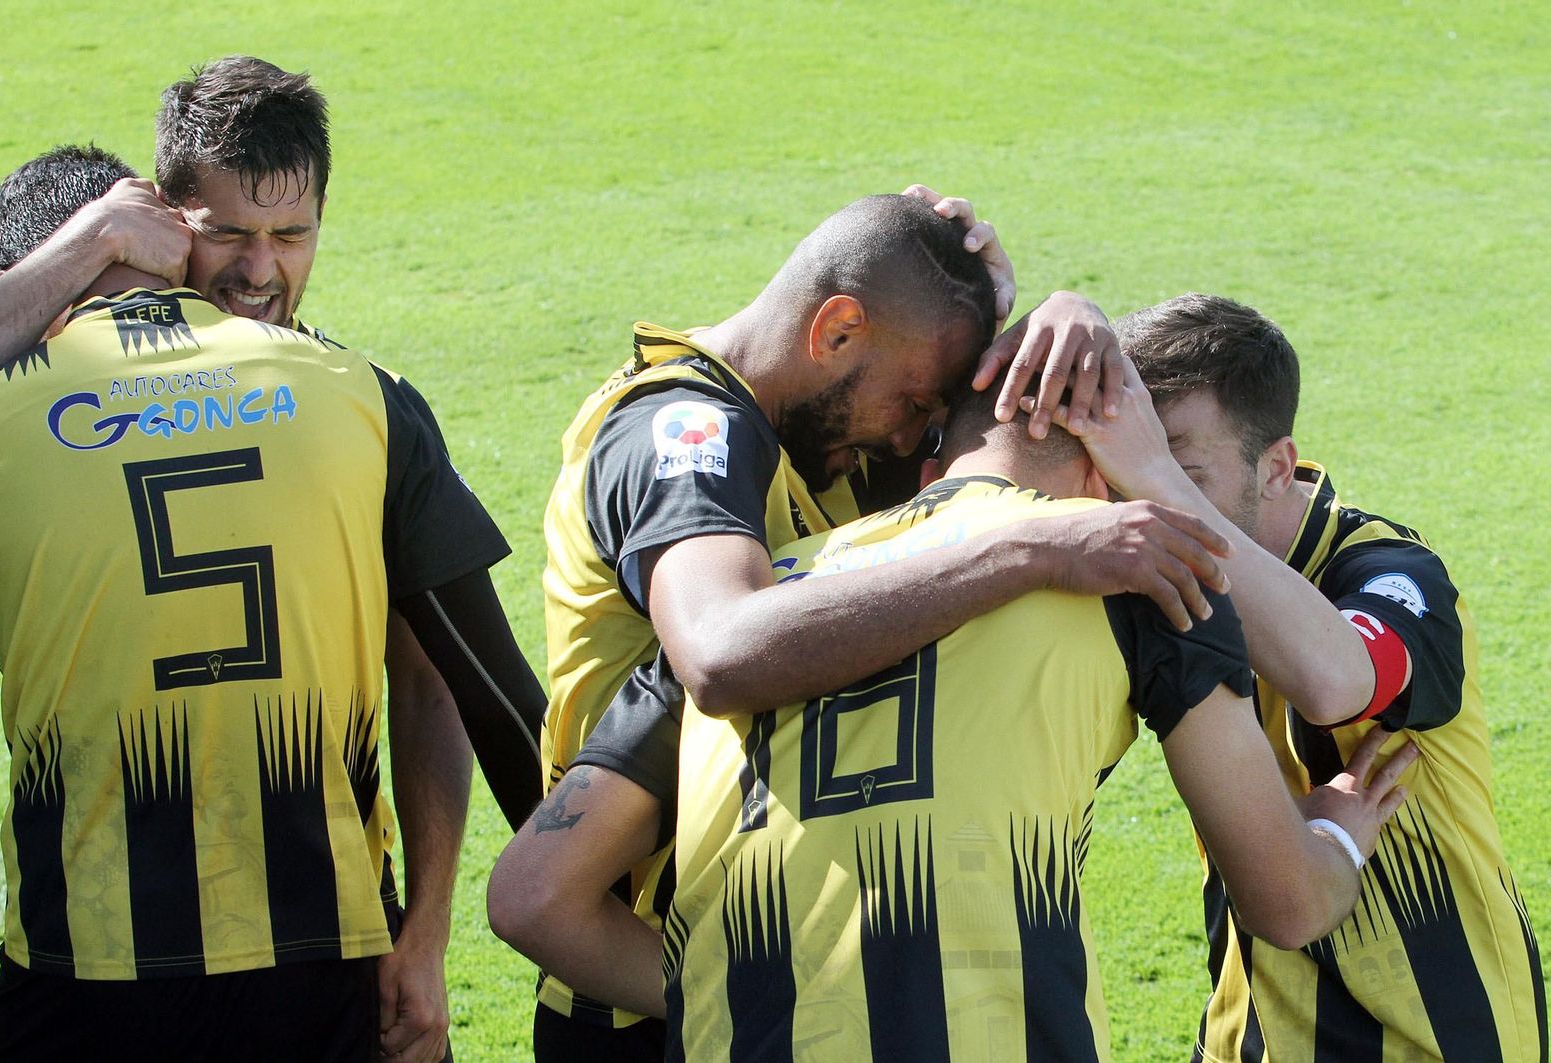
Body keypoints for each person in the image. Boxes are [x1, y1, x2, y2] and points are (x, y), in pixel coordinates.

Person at [490, 378, 1418, 1060]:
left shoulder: (755, 602)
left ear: (934, 456)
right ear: (1107, 472)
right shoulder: (1134, 571)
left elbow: (534, 896)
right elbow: (1287, 900)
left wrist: (757, 981)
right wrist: (1335, 836)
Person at [535, 190, 1238, 1057]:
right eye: (914, 403)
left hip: (775, 983)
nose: (918, 439)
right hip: (646, 989)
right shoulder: (687, 431)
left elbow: (956, 492)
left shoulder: (806, 437)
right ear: (835, 332)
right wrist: (1031, 550)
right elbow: (718, 650)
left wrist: (1059, 316)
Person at [0, 59, 549, 1060]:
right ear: (162, 222)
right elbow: (483, 685)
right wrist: (583, 908)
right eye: (227, 232)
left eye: (290, 233)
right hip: (328, 971)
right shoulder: (363, 395)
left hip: (86, 969)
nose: (259, 268)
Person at [1046, 293, 1545, 1062]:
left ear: (1275, 468)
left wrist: (1153, 478)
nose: (1140, 506)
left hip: (1438, 1036)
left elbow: (1334, 678)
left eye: (1182, 473)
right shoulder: (1157, 574)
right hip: (1251, 1036)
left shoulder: (1393, 572)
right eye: (1121, 474)